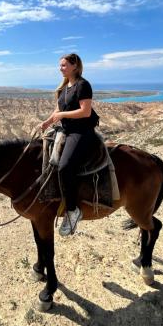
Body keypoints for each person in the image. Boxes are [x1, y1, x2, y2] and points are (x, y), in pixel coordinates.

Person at [41, 53, 99, 236]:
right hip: (66, 130)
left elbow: (86, 112)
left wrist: (62, 116)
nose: (61, 68)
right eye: (60, 65)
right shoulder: (65, 87)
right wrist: (46, 122)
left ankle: (73, 210)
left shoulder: (83, 85)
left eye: (64, 65)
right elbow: (58, 109)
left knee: (65, 167)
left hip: (81, 132)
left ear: (75, 66)